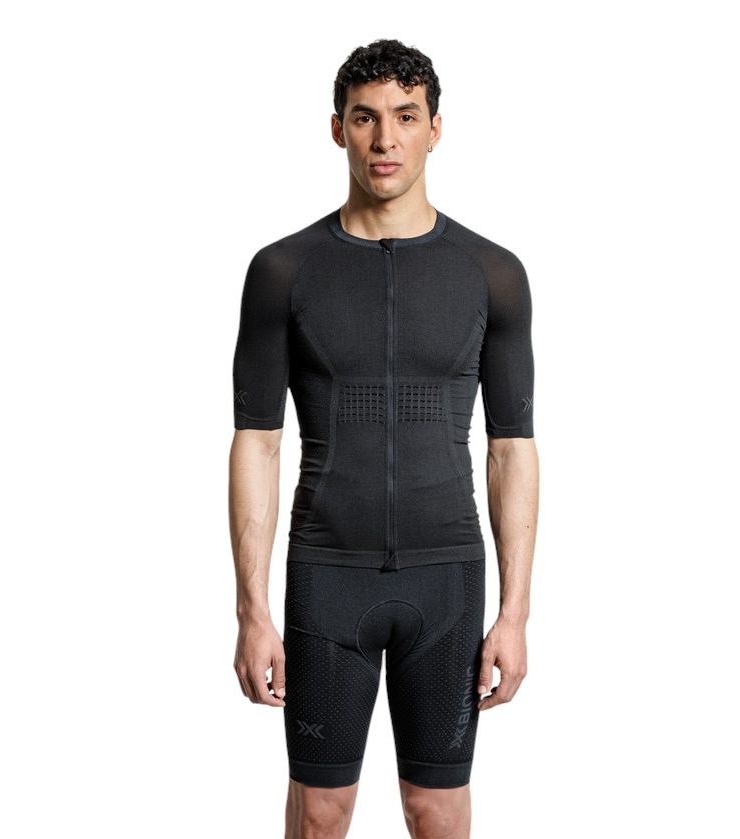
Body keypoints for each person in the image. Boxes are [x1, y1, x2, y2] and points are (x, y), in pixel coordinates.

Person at [229, 38, 539, 839]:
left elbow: (511, 448)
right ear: (337, 129)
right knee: (320, 811)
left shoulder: (491, 272)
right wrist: (251, 610)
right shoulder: (283, 270)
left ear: (436, 128)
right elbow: (256, 442)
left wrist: (514, 613)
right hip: (327, 575)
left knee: (434, 810)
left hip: (446, 580)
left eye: (405, 117)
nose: (384, 139)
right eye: (365, 118)